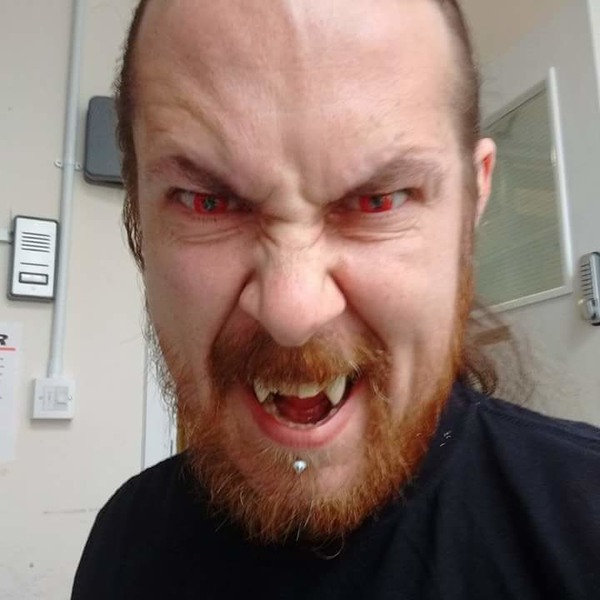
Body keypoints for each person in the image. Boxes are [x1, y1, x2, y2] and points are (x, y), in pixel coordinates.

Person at [72, 0, 600, 598]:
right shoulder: (125, 542)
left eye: (378, 201)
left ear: (472, 202)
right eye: (206, 202)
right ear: (137, 214)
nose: (292, 312)